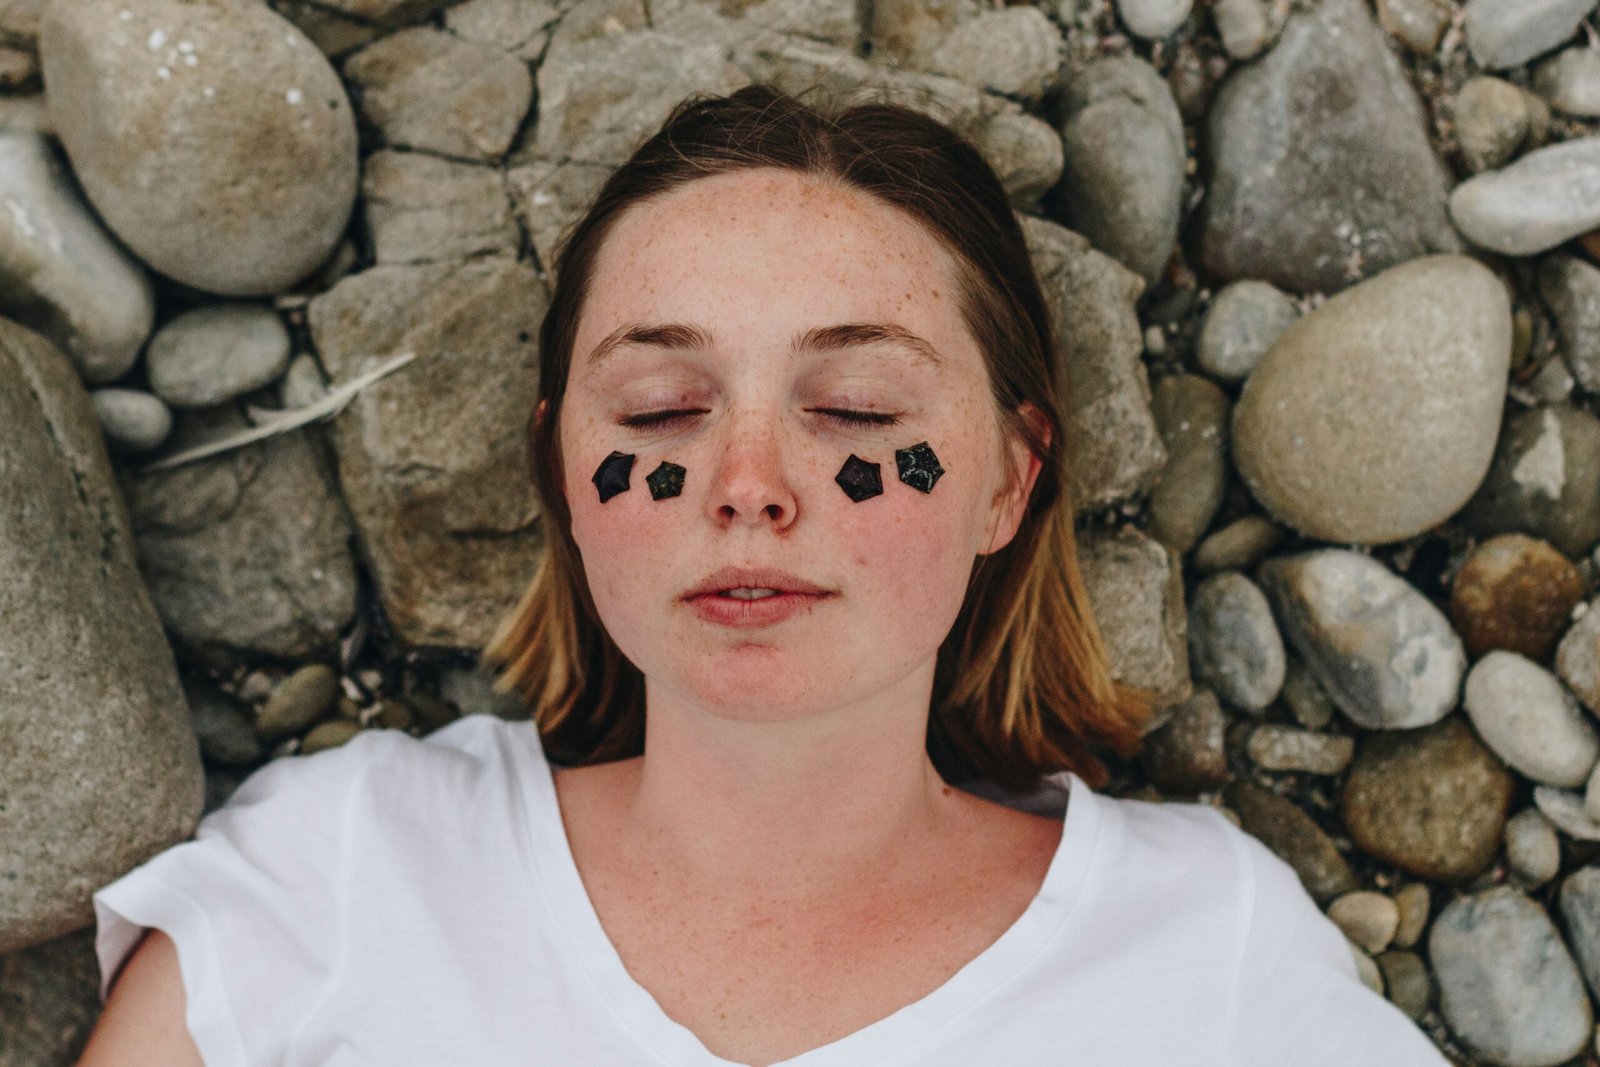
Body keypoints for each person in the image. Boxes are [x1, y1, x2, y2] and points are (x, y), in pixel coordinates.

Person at [77, 84, 1447, 1066]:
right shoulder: (346, 873)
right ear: (561, 471)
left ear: (1007, 482)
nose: (747, 483)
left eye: (855, 409)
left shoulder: (1206, 957)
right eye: (663, 408)